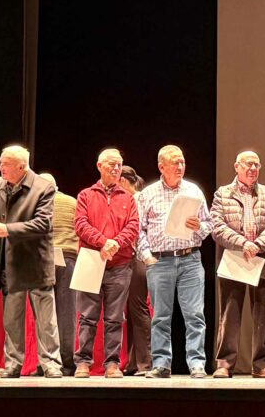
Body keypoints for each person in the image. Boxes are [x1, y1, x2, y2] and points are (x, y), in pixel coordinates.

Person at [0, 146, 62, 378]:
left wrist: (7, 229)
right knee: (12, 319)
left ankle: (50, 363)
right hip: (10, 263)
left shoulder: (43, 187)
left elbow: (43, 224)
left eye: (5, 164)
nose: (0, 168)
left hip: (37, 262)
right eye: (0, 162)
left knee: (46, 320)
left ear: (21, 167)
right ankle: (13, 363)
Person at [136, 145, 212, 379]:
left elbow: (208, 225)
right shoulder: (147, 194)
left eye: (182, 162)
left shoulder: (193, 191)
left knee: (195, 315)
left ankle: (197, 364)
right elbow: (138, 230)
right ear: (162, 166)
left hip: (190, 259)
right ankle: (161, 364)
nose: (180, 166)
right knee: (160, 316)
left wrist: (199, 227)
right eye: (175, 162)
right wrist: (146, 256)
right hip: (160, 261)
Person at [209, 150, 265, 379]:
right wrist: (243, 243)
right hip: (233, 259)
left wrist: (257, 245)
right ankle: (225, 364)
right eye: (247, 164)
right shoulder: (223, 193)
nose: (252, 169)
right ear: (236, 167)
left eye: (256, 165)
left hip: (263, 259)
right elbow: (217, 226)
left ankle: (262, 365)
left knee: (263, 316)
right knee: (229, 313)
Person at [73, 149, 139, 378]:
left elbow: (133, 226)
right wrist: (103, 242)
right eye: (111, 164)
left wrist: (115, 244)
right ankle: (83, 362)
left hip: (120, 264)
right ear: (99, 166)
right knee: (87, 317)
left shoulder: (128, 198)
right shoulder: (85, 195)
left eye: (119, 164)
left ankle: (112, 363)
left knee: (115, 317)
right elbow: (80, 224)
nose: (116, 168)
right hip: (91, 261)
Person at [41, 172, 80, 375]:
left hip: (44, 258)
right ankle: (67, 361)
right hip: (68, 257)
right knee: (67, 312)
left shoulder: (36, 203)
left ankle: (49, 361)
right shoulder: (72, 202)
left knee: (45, 313)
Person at [119, 166, 151, 375]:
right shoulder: (131, 199)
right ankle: (133, 362)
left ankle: (145, 362)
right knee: (131, 310)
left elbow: (139, 232)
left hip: (139, 257)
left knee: (138, 309)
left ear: (123, 181)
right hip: (129, 258)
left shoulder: (138, 199)